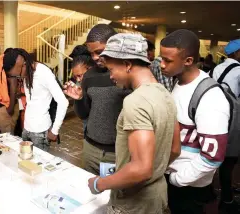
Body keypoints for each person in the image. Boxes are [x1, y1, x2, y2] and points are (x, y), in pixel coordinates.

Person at [87, 33, 180, 214]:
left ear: (127, 64)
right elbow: (175, 149)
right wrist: (155, 169)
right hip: (157, 195)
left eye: (112, 69)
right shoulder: (165, 93)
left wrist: (100, 184)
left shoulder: (135, 101)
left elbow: (140, 169)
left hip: (134, 203)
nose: (111, 76)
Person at [160, 29, 230, 214]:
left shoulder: (210, 98)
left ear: (188, 61)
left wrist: (177, 179)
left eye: (167, 60)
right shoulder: (179, 82)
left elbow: (212, 157)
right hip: (176, 176)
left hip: (190, 186)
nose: (161, 65)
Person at [64, 24, 130, 175]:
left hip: (118, 153)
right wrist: (79, 99)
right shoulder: (90, 75)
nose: (94, 57)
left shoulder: (127, 74)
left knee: (115, 196)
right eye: (91, 53)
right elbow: (84, 114)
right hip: (90, 149)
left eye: (99, 52)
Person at [3, 48, 69, 151]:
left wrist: (55, 130)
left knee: (39, 165)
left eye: (18, 75)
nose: (19, 78)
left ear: (24, 63)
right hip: (27, 128)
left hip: (40, 132)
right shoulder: (27, 72)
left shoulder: (43, 73)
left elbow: (63, 102)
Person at [210, 39, 240, 213]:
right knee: (229, 160)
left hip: (214, 115)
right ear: (236, 53)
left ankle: (211, 192)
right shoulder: (238, 70)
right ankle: (227, 199)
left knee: (213, 155)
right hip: (233, 118)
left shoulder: (215, 69)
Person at [69, 45, 95, 131]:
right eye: (75, 77)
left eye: (80, 75)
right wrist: (79, 98)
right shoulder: (79, 85)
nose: (78, 80)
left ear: (91, 68)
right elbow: (81, 115)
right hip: (88, 130)